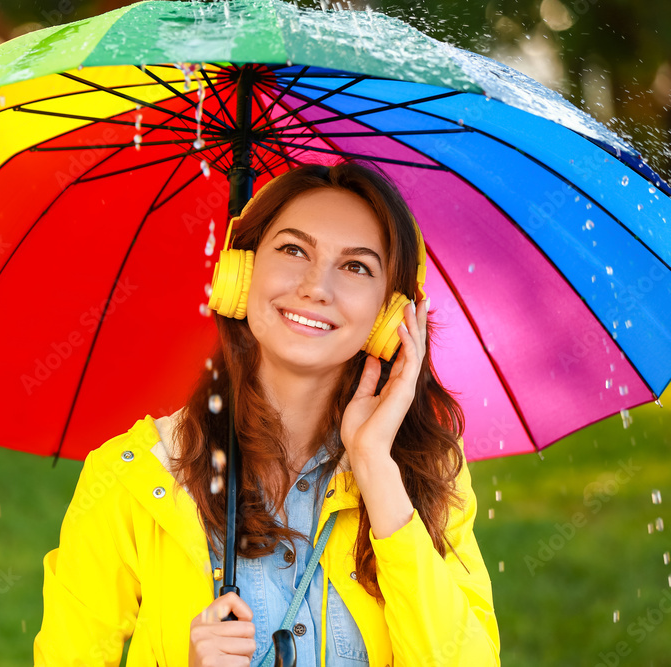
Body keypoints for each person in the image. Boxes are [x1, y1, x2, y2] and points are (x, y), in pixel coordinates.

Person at [34, 161, 500, 666]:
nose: (316, 287)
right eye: (293, 249)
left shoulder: (424, 473)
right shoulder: (132, 478)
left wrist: (376, 471)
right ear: (241, 273)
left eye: (356, 266)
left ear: (390, 316)